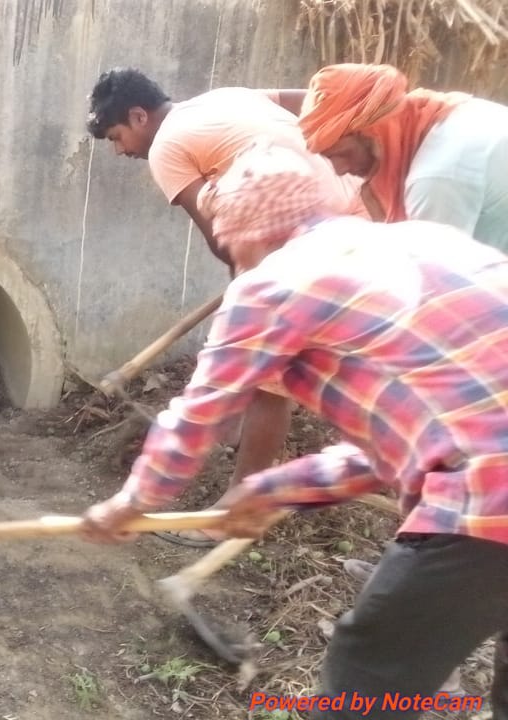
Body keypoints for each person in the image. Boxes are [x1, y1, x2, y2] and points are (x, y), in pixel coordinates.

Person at [77, 140, 508, 719]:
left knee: (366, 681)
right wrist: (271, 490)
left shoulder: (273, 283)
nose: (234, 261)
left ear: (251, 236)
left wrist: (130, 504)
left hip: (487, 499)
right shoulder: (420, 242)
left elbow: (199, 415)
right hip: (489, 482)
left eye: (230, 246)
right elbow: (406, 447)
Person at [85, 67, 367, 548]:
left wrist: (249, 286)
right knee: (263, 354)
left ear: (138, 116)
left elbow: (221, 237)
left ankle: (232, 508)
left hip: (293, 238)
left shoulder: (166, 147)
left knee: (269, 377)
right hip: (350, 214)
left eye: (116, 137)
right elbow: (310, 95)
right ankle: (234, 433)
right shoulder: (228, 97)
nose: (120, 150)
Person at [297, 62, 508, 251]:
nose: (340, 169)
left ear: (374, 131)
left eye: (344, 154)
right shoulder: (446, 112)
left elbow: (433, 273)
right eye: (329, 158)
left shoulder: (435, 179)